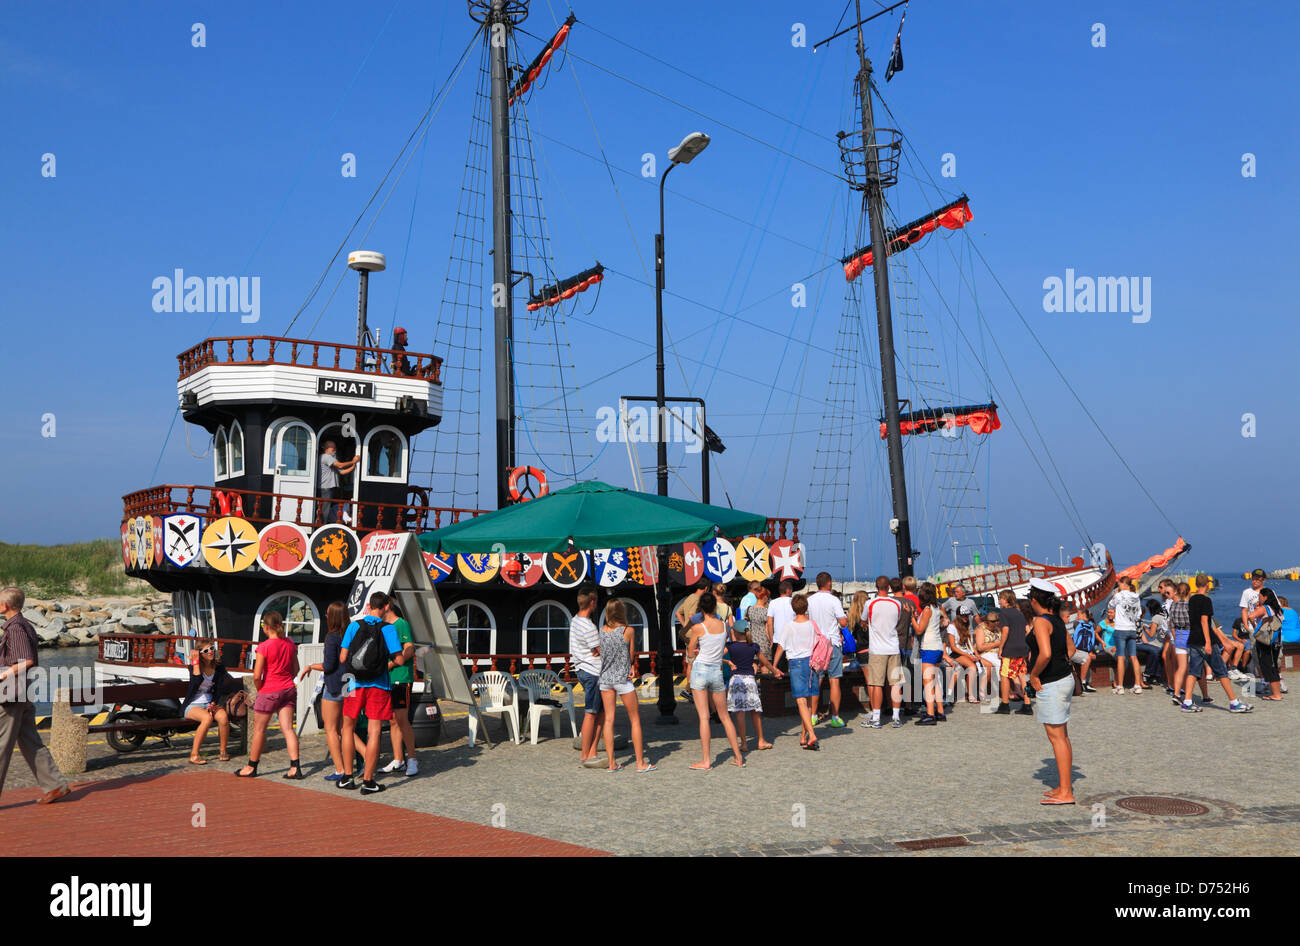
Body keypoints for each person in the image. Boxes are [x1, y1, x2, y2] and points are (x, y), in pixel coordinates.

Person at [0, 587, 71, 804]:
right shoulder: (25, 625)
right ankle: (55, 784)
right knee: (30, 740)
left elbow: (26, 660)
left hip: (12, 694)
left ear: (5, 606)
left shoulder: (15, 628)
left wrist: (3, 676)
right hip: (23, 693)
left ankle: (55, 784)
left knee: (1, 745)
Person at [337, 592, 405, 793]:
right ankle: (368, 781)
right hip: (379, 685)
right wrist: (383, 663)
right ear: (387, 606)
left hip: (351, 683)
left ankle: (347, 777)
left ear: (368, 605)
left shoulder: (353, 625)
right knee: (374, 730)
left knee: (347, 727)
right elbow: (400, 660)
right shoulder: (389, 629)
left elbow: (342, 658)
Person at [1026, 578, 1076, 805]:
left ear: (1034, 600)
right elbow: (1071, 648)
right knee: (1061, 736)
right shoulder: (1056, 619)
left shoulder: (1040, 621)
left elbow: (1044, 654)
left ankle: (1066, 792)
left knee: (1056, 738)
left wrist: (1034, 675)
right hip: (1064, 678)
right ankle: (1063, 787)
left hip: (1052, 682)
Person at [236, 611, 302, 779]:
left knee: (259, 730)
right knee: (287, 728)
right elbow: (296, 669)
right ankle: (295, 767)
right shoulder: (289, 643)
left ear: (266, 627)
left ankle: (252, 766)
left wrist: (261, 689)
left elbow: (257, 676)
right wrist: (286, 680)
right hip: (288, 689)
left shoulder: (264, 647)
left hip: (270, 691)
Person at [686, 592, 746, 767]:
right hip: (716, 670)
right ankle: (738, 757)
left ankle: (706, 760)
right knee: (725, 716)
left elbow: (690, 652)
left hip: (700, 670)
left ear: (701, 608)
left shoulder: (698, 627)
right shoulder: (724, 626)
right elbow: (720, 647)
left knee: (704, 717)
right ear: (714, 607)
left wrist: (695, 652)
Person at [597, 600, 654, 772]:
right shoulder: (628, 630)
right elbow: (630, 655)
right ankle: (640, 763)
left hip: (605, 679)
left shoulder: (602, 631)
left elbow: (601, 653)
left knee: (609, 719)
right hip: (622, 679)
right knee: (634, 720)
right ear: (622, 612)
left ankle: (612, 762)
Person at [1181, 576, 1251, 714]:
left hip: (1193, 639)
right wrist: (1207, 641)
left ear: (1196, 585)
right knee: (1221, 672)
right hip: (1205, 640)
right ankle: (1234, 703)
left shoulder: (1192, 599)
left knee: (1193, 671)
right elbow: (1204, 621)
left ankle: (1187, 702)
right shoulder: (1206, 600)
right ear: (1207, 585)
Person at [298, 601, 349, 780]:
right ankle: (367, 756)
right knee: (346, 728)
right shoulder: (351, 633)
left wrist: (310, 666)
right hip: (350, 682)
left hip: (334, 684)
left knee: (331, 728)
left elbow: (329, 665)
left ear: (333, 616)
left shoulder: (332, 637)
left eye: (327, 614)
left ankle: (340, 769)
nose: (326, 616)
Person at [770, 593, 820, 750]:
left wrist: (774, 665)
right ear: (806, 607)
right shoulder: (812, 624)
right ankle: (804, 735)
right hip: (812, 662)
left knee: (800, 700)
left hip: (796, 663)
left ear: (793, 608)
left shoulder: (789, 626)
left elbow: (780, 647)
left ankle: (811, 734)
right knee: (809, 700)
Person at [724, 621, 780, 752]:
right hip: (750, 680)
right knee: (755, 711)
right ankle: (761, 740)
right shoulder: (753, 646)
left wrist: (728, 662)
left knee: (740, 713)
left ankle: (743, 743)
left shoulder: (731, 646)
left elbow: (716, 656)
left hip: (736, 680)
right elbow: (764, 661)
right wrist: (775, 671)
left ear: (735, 633)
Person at [859, 576, 906, 730]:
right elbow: (897, 621)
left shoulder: (870, 603)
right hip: (893, 647)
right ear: (889, 588)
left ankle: (877, 718)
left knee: (876, 683)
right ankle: (896, 717)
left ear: (876, 586)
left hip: (877, 649)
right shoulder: (896, 604)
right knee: (895, 683)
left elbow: (863, 620)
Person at [379, 601, 419, 776]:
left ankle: (412, 759)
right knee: (393, 720)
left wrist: (392, 663)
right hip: (388, 678)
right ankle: (398, 759)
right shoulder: (385, 626)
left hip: (400, 677)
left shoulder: (401, 624)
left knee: (402, 719)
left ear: (387, 606)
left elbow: (409, 648)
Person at [569, 591, 606, 769]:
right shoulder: (588, 626)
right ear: (592, 603)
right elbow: (599, 650)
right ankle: (586, 754)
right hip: (593, 671)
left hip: (582, 669)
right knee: (592, 712)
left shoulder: (575, 620)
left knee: (600, 712)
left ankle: (592, 751)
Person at [807, 572, 848, 728]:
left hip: (815, 644)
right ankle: (835, 716)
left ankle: (812, 715)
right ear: (829, 583)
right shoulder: (834, 600)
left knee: (816, 681)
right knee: (834, 680)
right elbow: (843, 622)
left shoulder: (809, 600)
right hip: (832, 643)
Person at [183, 642, 235, 764]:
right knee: (207, 719)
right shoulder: (193, 667)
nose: (211, 651)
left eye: (211, 648)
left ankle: (223, 751)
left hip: (209, 702)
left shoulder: (219, 668)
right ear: (200, 654)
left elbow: (218, 689)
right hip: (192, 705)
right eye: (206, 651)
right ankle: (194, 754)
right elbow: (195, 683)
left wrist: (213, 703)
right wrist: (195, 663)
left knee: (223, 717)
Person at [912, 582, 947, 724]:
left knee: (927, 681)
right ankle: (940, 711)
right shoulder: (937, 607)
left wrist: (912, 619)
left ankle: (930, 714)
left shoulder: (927, 609)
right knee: (935, 682)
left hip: (929, 647)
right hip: (938, 646)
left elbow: (919, 630)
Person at [996, 590, 1033, 715]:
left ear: (1006, 600)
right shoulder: (1019, 613)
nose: (999, 601)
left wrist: (1001, 648)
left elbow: (1005, 631)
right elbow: (1025, 630)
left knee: (1005, 675)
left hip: (1010, 648)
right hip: (1022, 647)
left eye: (1000, 598)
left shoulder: (1004, 613)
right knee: (1022, 675)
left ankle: (1005, 704)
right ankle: (1027, 703)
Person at [1248, 587, 1285, 702]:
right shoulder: (1277, 609)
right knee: (1274, 665)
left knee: (1268, 666)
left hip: (1265, 641)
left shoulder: (1264, 608)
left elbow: (1250, 616)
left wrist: (1256, 628)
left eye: (1260, 596)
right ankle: (1276, 692)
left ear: (1265, 597)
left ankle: (1276, 694)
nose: (1258, 598)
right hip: (1276, 640)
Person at [676, 578, 710, 699]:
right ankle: (690, 690)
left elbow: (678, 613)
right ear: (706, 588)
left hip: (687, 633)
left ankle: (690, 689)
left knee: (690, 661)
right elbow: (692, 616)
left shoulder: (689, 597)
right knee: (695, 662)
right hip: (695, 634)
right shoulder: (698, 600)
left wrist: (685, 624)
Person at [1110, 577, 1143, 694]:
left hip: (1120, 629)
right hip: (1132, 629)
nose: (1118, 586)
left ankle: (1120, 686)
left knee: (1121, 657)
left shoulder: (1119, 595)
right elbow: (1139, 614)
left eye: (1119, 584)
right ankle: (1138, 685)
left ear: (1124, 584)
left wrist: (1116, 594)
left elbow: (1110, 605)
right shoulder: (1136, 596)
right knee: (1134, 657)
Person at [318, 441, 359, 525]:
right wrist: (353, 461)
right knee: (324, 510)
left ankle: (324, 525)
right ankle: (322, 526)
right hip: (325, 488)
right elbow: (340, 465)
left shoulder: (330, 459)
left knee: (326, 509)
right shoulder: (326, 457)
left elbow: (342, 472)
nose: (335, 451)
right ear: (328, 449)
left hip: (329, 488)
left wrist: (353, 465)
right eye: (333, 448)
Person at [945, 613, 981, 705]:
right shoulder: (951, 627)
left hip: (965, 651)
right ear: (958, 616)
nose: (965, 617)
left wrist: (976, 653)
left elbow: (969, 642)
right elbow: (953, 647)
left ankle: (975, 693)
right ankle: (970, 695)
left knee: (979, 665)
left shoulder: (965, 625)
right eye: (963, 615)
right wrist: (969, 656)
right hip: (954, 652)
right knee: (972, 667)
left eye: (967, 615)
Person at [765, 579, 796, 665]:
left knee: (779, 667)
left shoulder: (773, 603)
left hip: (777, 639)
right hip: (792, 639)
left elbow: (769, 623)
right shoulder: (793, 602)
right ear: (788, 590)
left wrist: (771, 638)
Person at [1137, 600, 1166, 687]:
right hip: (1164, 642)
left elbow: (1151, 634)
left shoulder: (1155, 618)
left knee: (1155, 650)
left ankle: (1147, 673)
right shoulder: (1163, 615)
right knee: (1157, 651)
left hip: (1158, 643)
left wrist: (1145, 628)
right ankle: (1156, 676)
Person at [975, 610, 1002, 699]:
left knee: (1006, 662)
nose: (997, 624)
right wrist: (996, 644)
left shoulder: (997, 628)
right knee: (998, 664)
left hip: (997, 653)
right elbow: (980, 647)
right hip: (985, 653)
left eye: (998, 622)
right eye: (994, 622)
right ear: (988, 622)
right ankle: (1002, 688)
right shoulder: (981, 629)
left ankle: (1006, 689)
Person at [1071, 607, 1098, 693]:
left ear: (1083, 615)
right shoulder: (1092, 625)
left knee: (1086, 658)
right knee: (1087, 658)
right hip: (1084, 650)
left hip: (1079, 649)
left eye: (1078, 614)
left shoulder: (1076, 623)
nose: (1077, 617)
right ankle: (1084, 683)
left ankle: (1084, 684)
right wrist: (1090, 651)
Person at [745, 586, 773, 668]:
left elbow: (746, 622)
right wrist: (771, 640)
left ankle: (752, 680)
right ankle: (765, 680)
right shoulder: (767, 611)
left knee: (754, 664)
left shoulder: (749, 609)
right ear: (764, 597)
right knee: (765, 664)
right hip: (764, 640)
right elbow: (768, 627)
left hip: (752, 640)